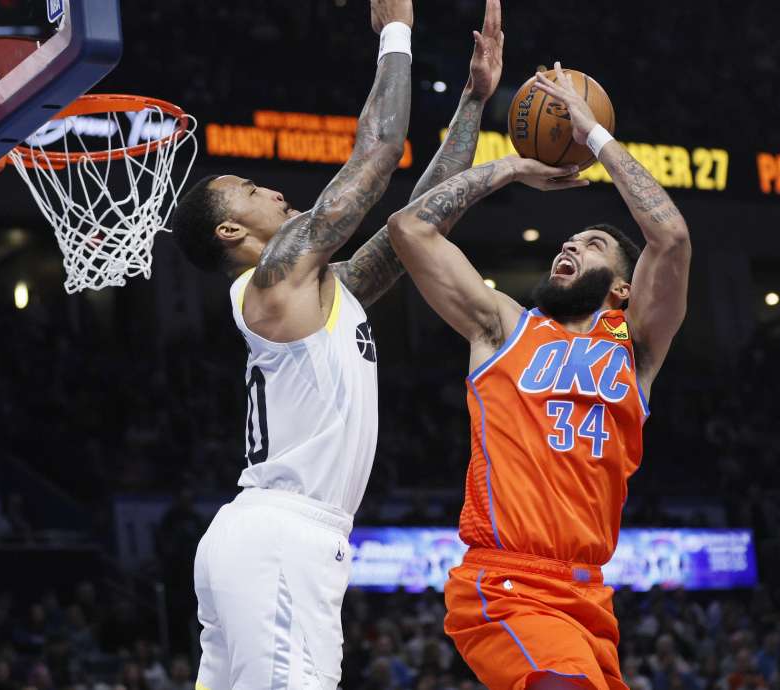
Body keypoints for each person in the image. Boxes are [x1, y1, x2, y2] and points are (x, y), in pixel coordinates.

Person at [168, 0, 508, 686]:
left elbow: (421, 219)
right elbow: (378, 153)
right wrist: (396, 33)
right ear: (231, 234)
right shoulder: (270, 279)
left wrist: (474, 100)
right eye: (249, 191)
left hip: (266, 540)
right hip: (284, 540)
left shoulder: (323, 287)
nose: (270, 191)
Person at [387, 61, 691, 689]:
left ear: (625, 289)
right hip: (505, 582)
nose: (569, 247)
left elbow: (671, 237)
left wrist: (595, 137)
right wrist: (515, 167)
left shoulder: (635, 348)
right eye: (568, 242)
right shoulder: (503, 327)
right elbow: (409, 228)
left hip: (590, 600)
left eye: (592, 245)